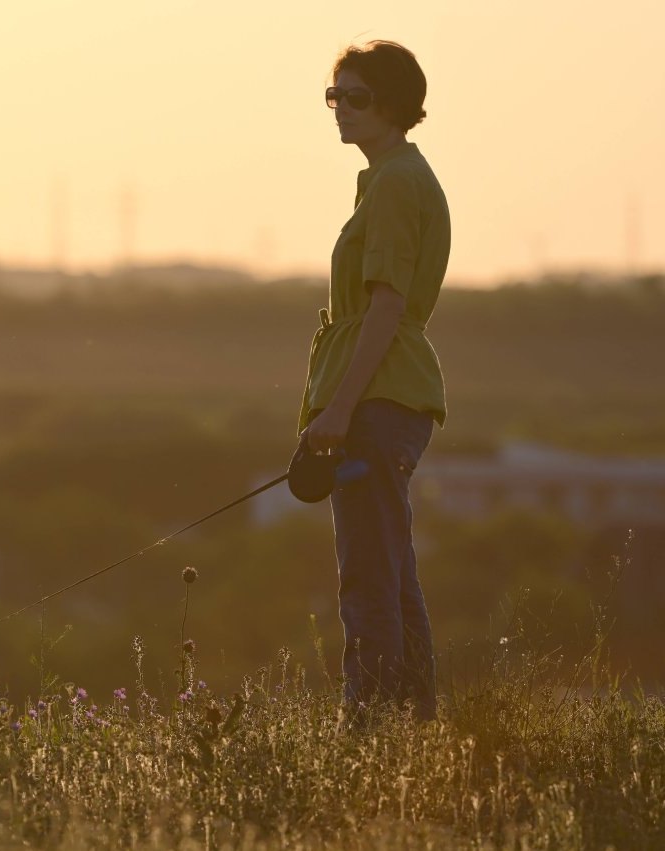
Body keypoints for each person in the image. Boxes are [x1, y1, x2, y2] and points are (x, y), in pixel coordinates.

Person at [298, 40, 450, 724]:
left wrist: (337, 409)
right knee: (392, 571)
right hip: (389, 397)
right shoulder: (392, 177)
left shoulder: (395, 181)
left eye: (356, 96)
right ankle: (413, 723)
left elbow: (386, 306)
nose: (342, 109)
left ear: (394, 103)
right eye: (335, 96)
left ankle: (370, 726)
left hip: (377, 400)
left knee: (368, 575)